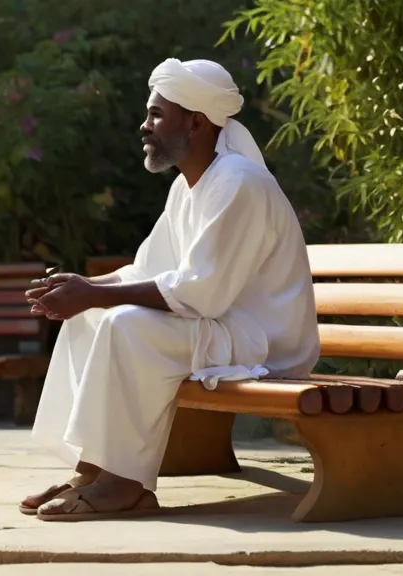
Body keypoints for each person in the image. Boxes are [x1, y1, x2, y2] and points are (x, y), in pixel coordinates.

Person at [20, 58, 321, 522]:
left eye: (156, 115)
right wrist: (80, 290)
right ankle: (93, 471)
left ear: (196, 122)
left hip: (263, 344)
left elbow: (202, 293)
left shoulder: (238, 181)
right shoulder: (189, 187)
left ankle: (126, 485)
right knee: (92, 316)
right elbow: (148, 269)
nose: (145, 126)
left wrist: (95, 294)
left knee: (125, 324)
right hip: (221, 327)